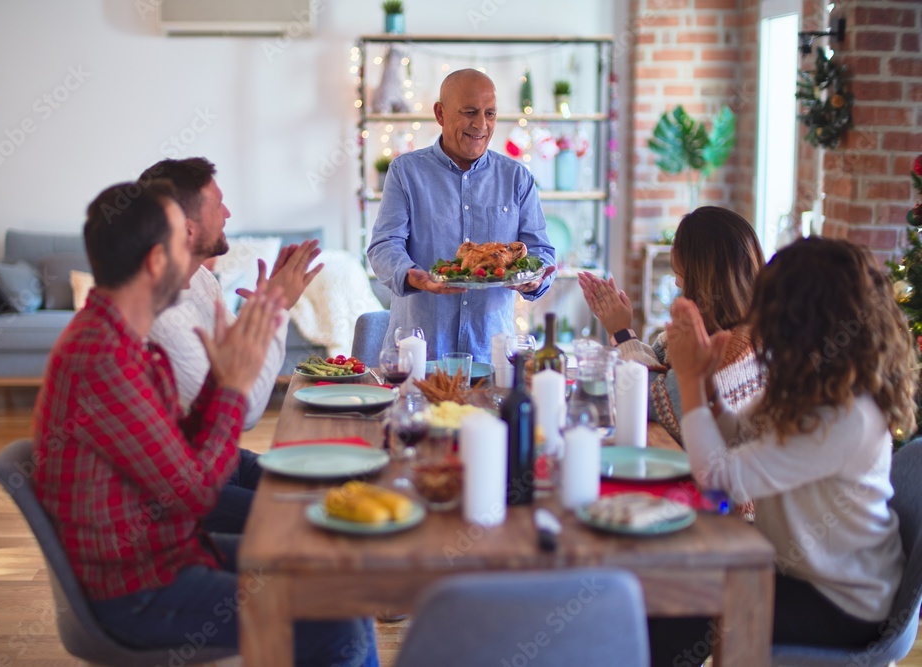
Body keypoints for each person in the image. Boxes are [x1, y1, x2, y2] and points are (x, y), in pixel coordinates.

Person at [33, 180, 378, 664]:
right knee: (335, 624)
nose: (195, 253)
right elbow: (193, 493)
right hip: (139, 589)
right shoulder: (103, 358)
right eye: (181, 241)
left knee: (338, 578)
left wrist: (221, 379)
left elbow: (181, 449)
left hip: (172, 553)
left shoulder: (124, 340)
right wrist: (233, 387)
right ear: (157, 261)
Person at [650, 236, 916, 664]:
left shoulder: (847, 415)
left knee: (691, 604)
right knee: (671, 592)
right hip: (796, 572)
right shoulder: (809, 380)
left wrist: (688, 382)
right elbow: (740, 435)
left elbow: (721, 480)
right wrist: (706, 388)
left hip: (842, 599)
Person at [140, 157, 323, 534]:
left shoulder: (202, 281)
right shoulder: (164, 316)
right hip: (182, 484)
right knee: (306, 521)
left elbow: (229, 358)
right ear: (187, 229)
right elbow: (244, 411)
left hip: (217, 458)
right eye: (216, 204)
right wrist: (275, 308)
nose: (227, 213)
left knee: (327, 489)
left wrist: (259, 309)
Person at [367, 68, 556, 363]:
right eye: (469, 112)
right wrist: (414, 277)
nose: (481, 125)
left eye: (490, 114)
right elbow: (383, 245)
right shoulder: (406, 172)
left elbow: (542, 251)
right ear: (440, 114)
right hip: (421, 355)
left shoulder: (517, 178)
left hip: (491, 356)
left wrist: (535, 278)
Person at [578, 206, 764, 444]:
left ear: (704, 275)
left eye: (682, 276)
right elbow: (656, 367)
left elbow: (650, 399)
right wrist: (623, 329)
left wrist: (621, 333)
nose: (677, 283)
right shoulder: (720, 326)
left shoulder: (737, 348)